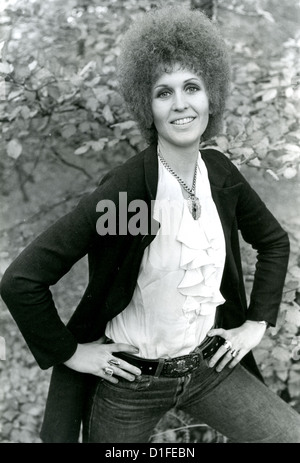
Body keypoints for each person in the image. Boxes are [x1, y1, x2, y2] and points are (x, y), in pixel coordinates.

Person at [1, 5, 300, 444]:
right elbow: (23, 280)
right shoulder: (132, 195)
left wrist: (257, 323)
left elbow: (273, 241)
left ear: (211, 96)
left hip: (208, 369)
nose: (180, 104)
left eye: (192, 87)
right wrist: (72, 353)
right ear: (148, 104)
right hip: (130, 385)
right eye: (164, 92)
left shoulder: (219, 175)